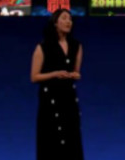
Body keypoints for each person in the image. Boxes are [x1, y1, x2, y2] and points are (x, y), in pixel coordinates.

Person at [31, 9, 84, 160]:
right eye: (64, 18)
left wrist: (75, 75)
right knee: (51, 143)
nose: (69, 22)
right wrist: (54, 74)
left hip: (69, 100)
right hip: (50, 102)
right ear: (55, 22)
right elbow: (34, 77)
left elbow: (77, 72)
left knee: (71, 142)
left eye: (70, 19)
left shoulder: (76, 46)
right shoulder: (43, 47)